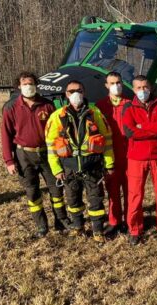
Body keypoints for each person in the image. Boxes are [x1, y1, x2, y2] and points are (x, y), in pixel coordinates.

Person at [0, 71, 69, 238]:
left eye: (31, 83)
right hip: (24, 155)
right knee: (32, 192)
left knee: (57, 190)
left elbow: (59, 132)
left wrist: (62, 156)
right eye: (25, 84)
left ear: (36, 85)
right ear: (19, 86)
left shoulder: (48, 105)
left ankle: (61, 222)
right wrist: (9, 161)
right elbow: (5, 135)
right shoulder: (11, 107)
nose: (28, 87)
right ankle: (41, 226)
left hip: (47, 154)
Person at [45, 80, 114, 243]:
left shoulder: (95, 113)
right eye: (72, 91)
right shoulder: (56, 117)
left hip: (92, 166)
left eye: (79, 90)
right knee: (73, 200)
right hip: (69, 168)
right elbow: (50, 145)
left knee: (96, 199)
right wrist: (57, 170)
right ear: (66, 94)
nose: (76, 93)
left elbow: (108, 140)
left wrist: (109, 164)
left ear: (84, 93)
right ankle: (78, 227)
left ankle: (97, 230)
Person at [122, 75, 157, 245]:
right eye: (138, 87)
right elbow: (129, 132)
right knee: (135, 195)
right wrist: (155, 127)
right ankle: (135, 230)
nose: (142, 90)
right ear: (134, 89)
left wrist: (142, 126)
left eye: (145, 87)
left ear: (150, 87)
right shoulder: (128, 107)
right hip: (136, 158)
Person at [96, 72, 130, 235]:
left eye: (118, 82)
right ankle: (114, 221)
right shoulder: (100, 106)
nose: (116, 85)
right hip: (110, 155)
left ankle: (130, 220)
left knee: (131, 190)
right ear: (106, 85)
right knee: (113, 190)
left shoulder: (130, 104)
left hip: (129, 155)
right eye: (112, 83)